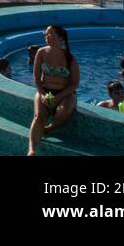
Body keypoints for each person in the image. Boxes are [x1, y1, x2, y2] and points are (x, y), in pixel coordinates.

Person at [28, 25, 79, 156]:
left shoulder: (70, 58)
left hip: (65, 94)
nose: (47, 36)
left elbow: (75, 84)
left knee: (62, 114)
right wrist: (42, 94)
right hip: (45, 90)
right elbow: (36, 77)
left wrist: (59, 97)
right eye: (46, 34)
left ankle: (47, 129)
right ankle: (32, 149)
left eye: (51, 34)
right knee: (39, 116)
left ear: (60, 37)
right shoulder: (41, 52)